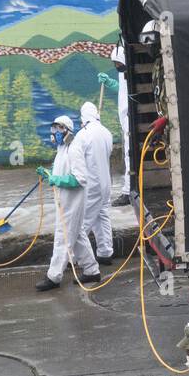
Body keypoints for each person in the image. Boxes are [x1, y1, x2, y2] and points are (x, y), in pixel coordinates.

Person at [35, 115, 101, 292]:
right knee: (77, 235)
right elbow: (62, 172)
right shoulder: (62, 149)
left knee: (63, 238)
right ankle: (92, 270)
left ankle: (54, 276)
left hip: (72, 203)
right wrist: (49, 174)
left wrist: (55, 179)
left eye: (59, 129)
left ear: (67, 131)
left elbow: (80, 179)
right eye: (54, 129)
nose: (55, 132)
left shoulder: (74, 148)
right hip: (64, 202)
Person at [77, 100, 114, 266]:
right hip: (106, 183)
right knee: (102, 216)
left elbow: (77, 158)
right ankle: (105, 253)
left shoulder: (83, 134)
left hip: (92, 185)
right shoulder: (107, 132)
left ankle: (75, 257)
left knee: (83, 222)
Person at [109, 40, 132, 206]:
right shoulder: (122, 73)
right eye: (115, 64)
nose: (117, 66)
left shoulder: (131, 71)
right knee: (127, 156)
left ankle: (128, 191)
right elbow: (122, 89)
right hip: (125, 120)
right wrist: (111, 84)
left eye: (119, 63)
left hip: (130, 119)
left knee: (129, 156)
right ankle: (128, 190)